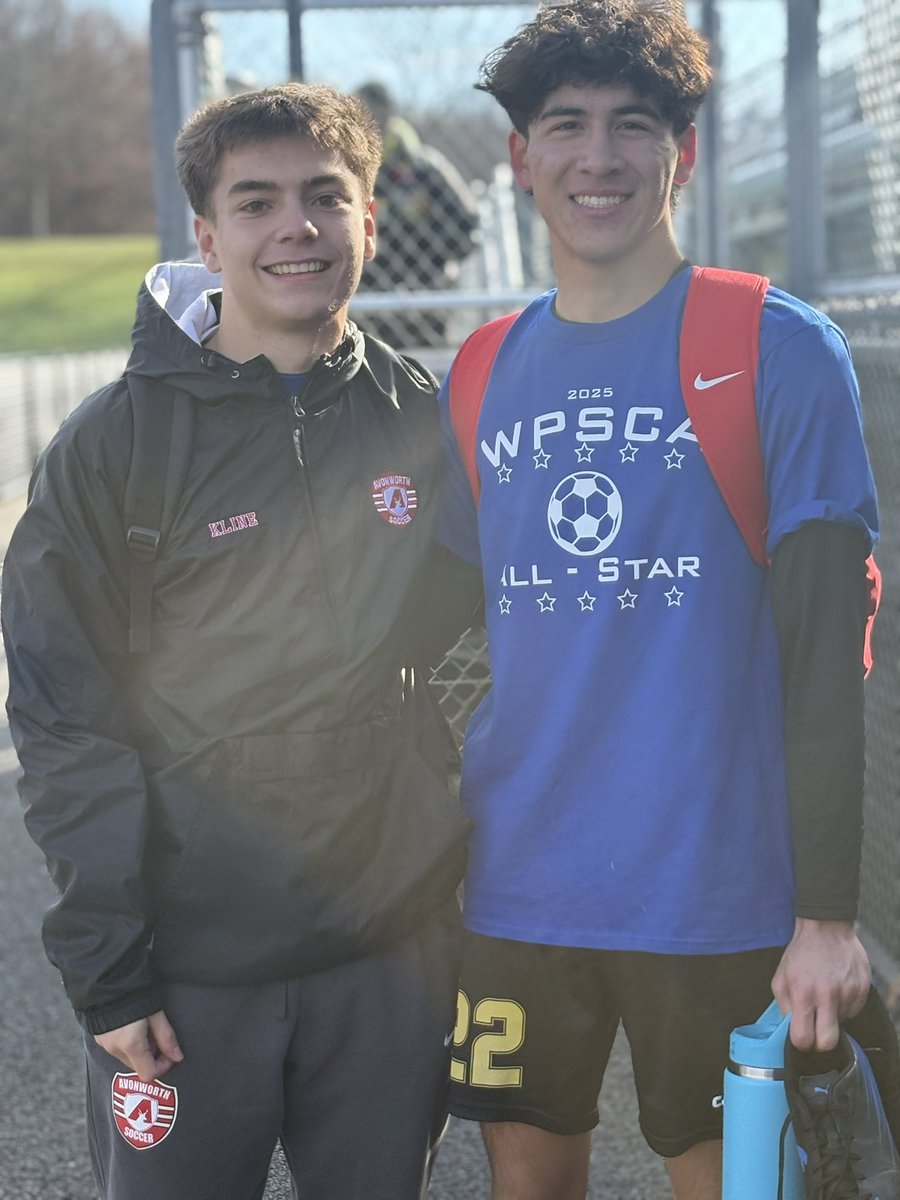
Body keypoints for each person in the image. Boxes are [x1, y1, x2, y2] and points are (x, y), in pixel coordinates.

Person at [431, 3, 898, 1198]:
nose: (599, 157)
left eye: (633, 127)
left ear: (680, 153)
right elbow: (432, 634)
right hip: (518, 888)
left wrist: (828, 917)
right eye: (566, 126)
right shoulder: (480, 372)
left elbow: (823, 651)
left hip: (720, 896)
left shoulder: (776, 348)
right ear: (518, 157)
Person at [1, 81, 470, 1200]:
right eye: (256, 203)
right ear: (208, 237)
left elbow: (488, 649)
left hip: (388, 959)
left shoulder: (422, 417)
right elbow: (67, 723)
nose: (295, 227)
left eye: (325, 197)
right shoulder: (114, 449)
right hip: (189, 976)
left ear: (369, 219)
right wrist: (110, 976)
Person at [355, 81, 479, 347]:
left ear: (389, 114)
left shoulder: (423, 165)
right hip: (367, 291)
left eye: (376, 112)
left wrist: (434, 262)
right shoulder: (348, 171)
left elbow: (467, 222)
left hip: (427, 287)